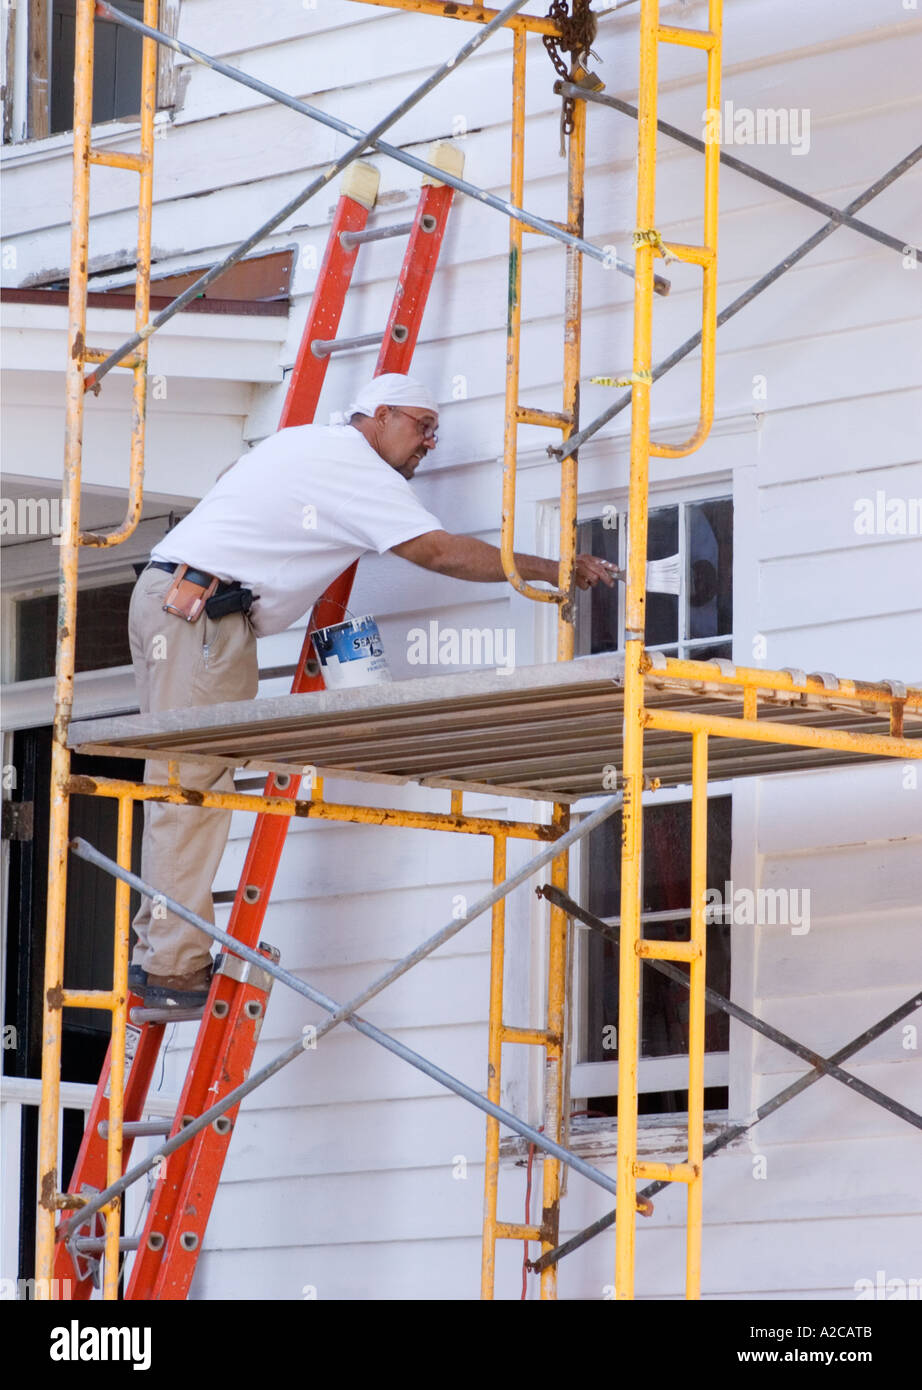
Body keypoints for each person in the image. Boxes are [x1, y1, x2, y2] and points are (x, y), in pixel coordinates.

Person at [128, 373, 616, 1006]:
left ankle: (162, 948)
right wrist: (554, 570)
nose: (430, 442)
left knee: (181, 782)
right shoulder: (354, 464)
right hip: (201, 617)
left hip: (176, 602)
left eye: (436, 430)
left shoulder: (302, 444)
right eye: (421, 425)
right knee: (192, 786)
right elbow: (438, 552)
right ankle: (170, 966)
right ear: (379, 415)